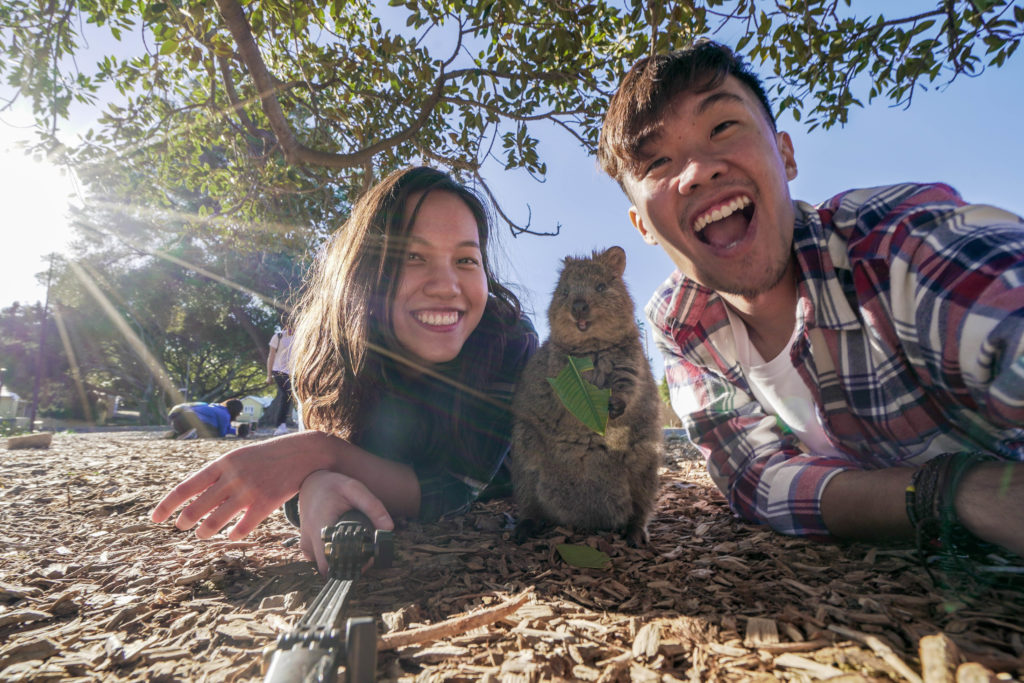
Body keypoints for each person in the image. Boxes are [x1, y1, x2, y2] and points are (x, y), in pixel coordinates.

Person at [595, 39, 1024, 560]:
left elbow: (996, 299)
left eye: (723, 127)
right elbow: (756, 479)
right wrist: (951, 494)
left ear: (786, 153)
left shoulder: (891, 245)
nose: (698, 171)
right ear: (642, 224)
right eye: (658, 161)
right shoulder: (682, 323)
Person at [151, 166, 538, 574]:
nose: (446, 284)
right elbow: (332, 459)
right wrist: (318, 485)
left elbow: (456, 488)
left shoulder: (507, 338)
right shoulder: (330, 345)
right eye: (412, 256)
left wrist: (320, 454)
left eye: (465, 259)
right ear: (364, 270)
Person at [266, 322, 295, 436]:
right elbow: (271, 356)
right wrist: (269, 375)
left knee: (290, 396)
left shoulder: (300, 337)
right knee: (286, 394)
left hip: (294, 371)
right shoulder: (277, 337)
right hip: (278, 371)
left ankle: (284, 424)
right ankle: (281, 425)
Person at [168, 399, 244, 439]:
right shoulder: (225, 415)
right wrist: (240, 433)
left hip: (177, 419)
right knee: (215, 433)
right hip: (190, 419)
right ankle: (195, 433)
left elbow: (226, 428)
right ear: (235, 411)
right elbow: (222, 433)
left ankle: (178, 433)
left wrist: (236, 431)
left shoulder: (215, 406)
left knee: (211, 425)